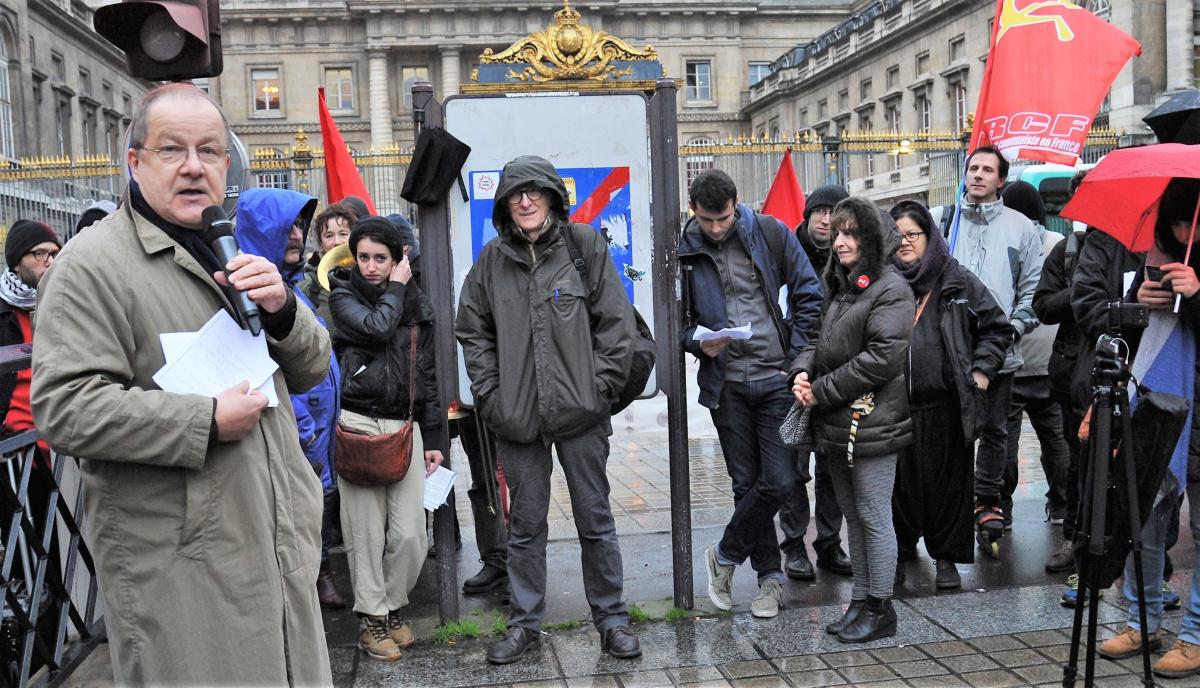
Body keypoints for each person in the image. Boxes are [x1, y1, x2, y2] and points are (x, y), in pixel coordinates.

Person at [30, 83, 333, 685]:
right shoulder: (90, 266)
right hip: (183, 572)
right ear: (135, 162)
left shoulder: (233, 250)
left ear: (227, 166)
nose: (194, 166)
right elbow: (64, 409)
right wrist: (203, 420)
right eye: (172, 150)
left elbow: (313, 368)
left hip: (275, 550)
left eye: (210, 151)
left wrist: (283, 313)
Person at [455, 155, 642, 664]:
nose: (526, 201)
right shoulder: (491, 262)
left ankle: (612, 619)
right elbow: (471, 330)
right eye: (516, 195)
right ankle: (524, 624)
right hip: (517, 420)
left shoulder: (584, 248)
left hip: (582, 417)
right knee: (526, 527)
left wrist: (597, 390)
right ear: (505, 206)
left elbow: (616, 326)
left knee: (595, 518)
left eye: (535, 192)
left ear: (553, 199)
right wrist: (491, 396)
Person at [678, 168, 822, 617]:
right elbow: (673, 318)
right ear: (693, 212)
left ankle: (723, 554)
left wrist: (798, 360)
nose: (717, 228)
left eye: (723, 218)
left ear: (737, 203)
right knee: (746, 485)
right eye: (707, 220)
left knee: (780, 480)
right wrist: (696, 342)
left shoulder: (770, 233)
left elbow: (809, 295)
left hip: (776, 378)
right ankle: (770, 580)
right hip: (728, 385)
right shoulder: (683, 250)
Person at [791, 196, 914, 643]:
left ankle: (880, 608)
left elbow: (881, 359)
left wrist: (819, 391)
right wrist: (802, 371)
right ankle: (861, 601)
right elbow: (819, 342)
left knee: (874, 516)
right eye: (837, 233)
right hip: (839, 422)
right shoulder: (842, 287)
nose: (839, 241)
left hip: (873, 423)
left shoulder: (890, 288)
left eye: (850, 234)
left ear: (871, 241)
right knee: (854, 517)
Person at [328, 215, 444, 661]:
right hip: (358, 424)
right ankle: (372, 621)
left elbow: (427, 373)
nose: (371, 266)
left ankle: (393, 606)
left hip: (405, 427)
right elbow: (376, 327)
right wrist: (396, 287)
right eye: (364, 258)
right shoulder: (342, 294)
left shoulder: (417, 303)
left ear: (399, 260)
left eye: (381, 258)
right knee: (364, 535)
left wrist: (432, 434)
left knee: (411, 534)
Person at [1097, 178, 1200, 678]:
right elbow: (1119, 332)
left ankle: (1197, 635)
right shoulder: (1155, 258)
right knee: (1147, 518)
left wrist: (1198, 296)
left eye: (1191, 221)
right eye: (1174, 223)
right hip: (1159, 410)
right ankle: (1144, 621)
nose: (1183, 232)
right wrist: (1139, 304)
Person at [235, 187, 346, 610]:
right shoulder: (252, 293)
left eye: (301, 225)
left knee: (316, 514)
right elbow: (265, 367)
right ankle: (310, 586)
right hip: (299, 436)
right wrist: (303, 428)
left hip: (317, 434)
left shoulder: (289, 287)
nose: (298, 235)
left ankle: (318, 579)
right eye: (288, 227)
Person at [888, 201, 1009, 590]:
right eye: (897, 236)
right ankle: (898, 552)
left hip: (945, 404)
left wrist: (980, 373)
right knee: (896, 487)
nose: (904, 243)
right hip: (893, 406)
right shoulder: (882, 281)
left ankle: (945, 559)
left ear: (929, 237)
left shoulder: (955, 278)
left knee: (948, 486)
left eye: (912, 235)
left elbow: (996, 327)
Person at [932, 146, 1042, 554]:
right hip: (949, 353)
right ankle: (953, 503)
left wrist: (1011, 329)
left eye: (987, 170)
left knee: (996, 433)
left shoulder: (1021, 229)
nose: (978, 175)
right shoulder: (943, 221)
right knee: (951, 432)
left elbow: (1032, 289)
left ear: (1001, 180)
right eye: (972, 168)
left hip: (1001, 353)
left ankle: (988, 501)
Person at [778, 183, 851, 580]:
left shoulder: (850, 257)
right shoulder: (784, 252)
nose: (826, 219)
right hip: (792, 374)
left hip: (836, 376)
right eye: (820, 211)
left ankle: (828, 542)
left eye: (834, 212)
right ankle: (793, 545)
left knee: (833, 465)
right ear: (807, 215)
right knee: (792, 466)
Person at [999, 180, 1070, 530]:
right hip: (1049, 360)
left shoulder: (1002, 245)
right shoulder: (1060, 245)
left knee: (1004, 443)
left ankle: (1001, 510)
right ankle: (1060, 504)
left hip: (1008, 360)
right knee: (1056, 439)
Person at [1034, 170, 1090, 575]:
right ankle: (1075, 538)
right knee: (1076, 463)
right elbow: (1044, 305)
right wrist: (1081, 292)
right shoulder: (1065, 253)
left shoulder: (1133, 248)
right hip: (1073, 374)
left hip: (1125, 369)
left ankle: (1135, 553)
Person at [0, 221, 61, 436]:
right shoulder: (4, 311)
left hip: (59, 433)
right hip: (15, 446)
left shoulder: (65, 303)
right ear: (17, 262)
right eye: (39, 254)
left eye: (54, 253)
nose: (50, 261)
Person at [301, 201, 358, 334]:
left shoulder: (370, 272)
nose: (337, 242)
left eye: (343, 234)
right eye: (329, 236)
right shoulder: (309, 280)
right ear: (321, 242)